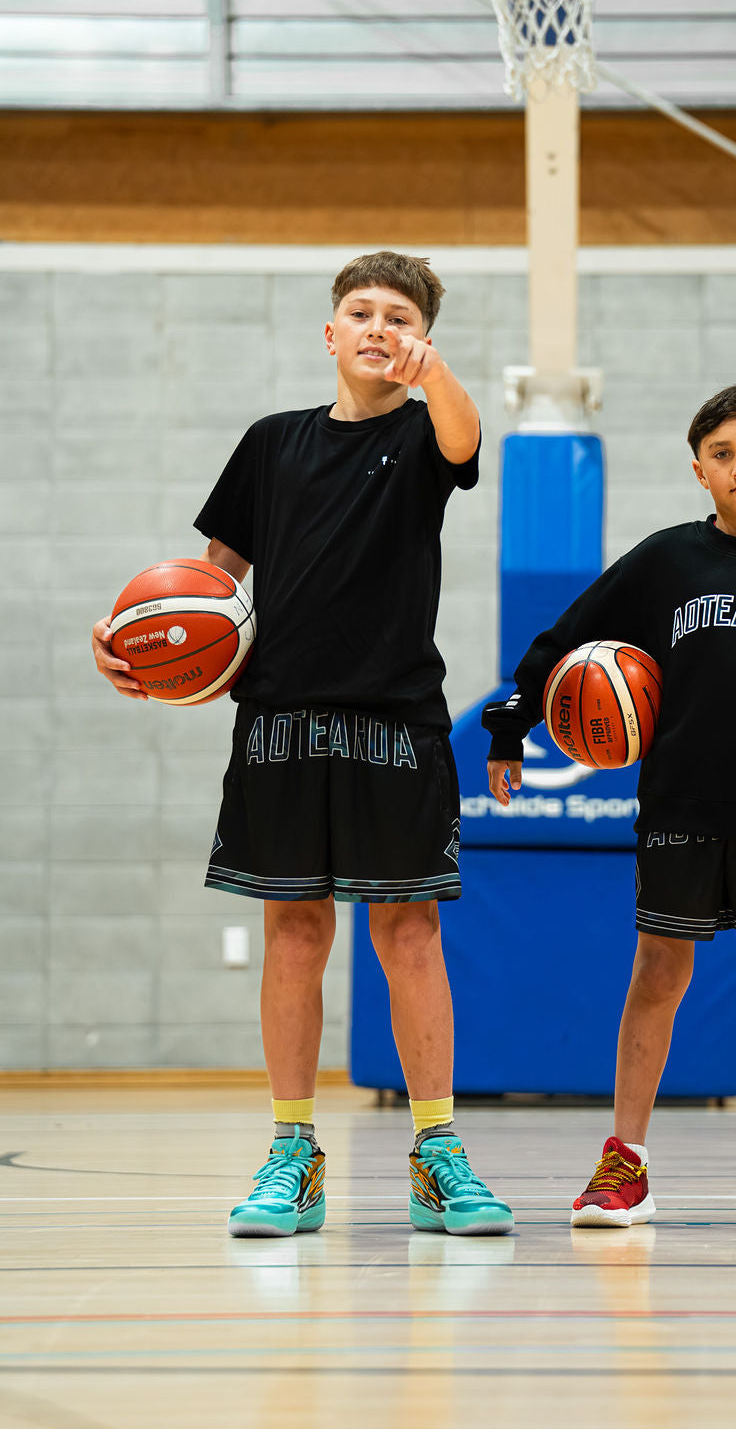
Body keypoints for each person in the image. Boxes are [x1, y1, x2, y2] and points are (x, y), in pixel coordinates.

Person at [93, 251, 513, 1239]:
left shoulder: (424, 435)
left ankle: (439, 1153)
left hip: (397, 720)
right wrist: (145, 652)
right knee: (296, 931)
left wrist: (435, 374)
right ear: (330, 335)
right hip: (281, 719)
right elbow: (211, 591)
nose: (378, 326)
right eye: (360, 312)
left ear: (418, 339)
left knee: (408, 932)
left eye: (398, 316)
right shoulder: (271, 444)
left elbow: (465, 438)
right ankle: (292, 1152)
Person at [483, 381, 736, 1229]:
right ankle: (626, 1164)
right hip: (680, 808)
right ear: (699, 470)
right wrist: (512, 725)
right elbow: (565, 638)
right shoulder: (666, 562)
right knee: (659, 971)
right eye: (722, 453)